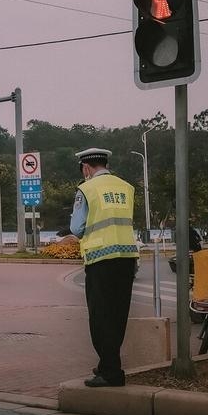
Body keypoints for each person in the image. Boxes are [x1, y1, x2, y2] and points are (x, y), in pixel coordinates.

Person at [69, 147, 139, 388]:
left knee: (101, 316)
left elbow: (77, 228)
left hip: (100, 259)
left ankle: (111, 371)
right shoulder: (126, 187)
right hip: (127, 257)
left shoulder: (86, 189)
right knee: (118, 315)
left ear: (86, 167)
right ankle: (108, 363)